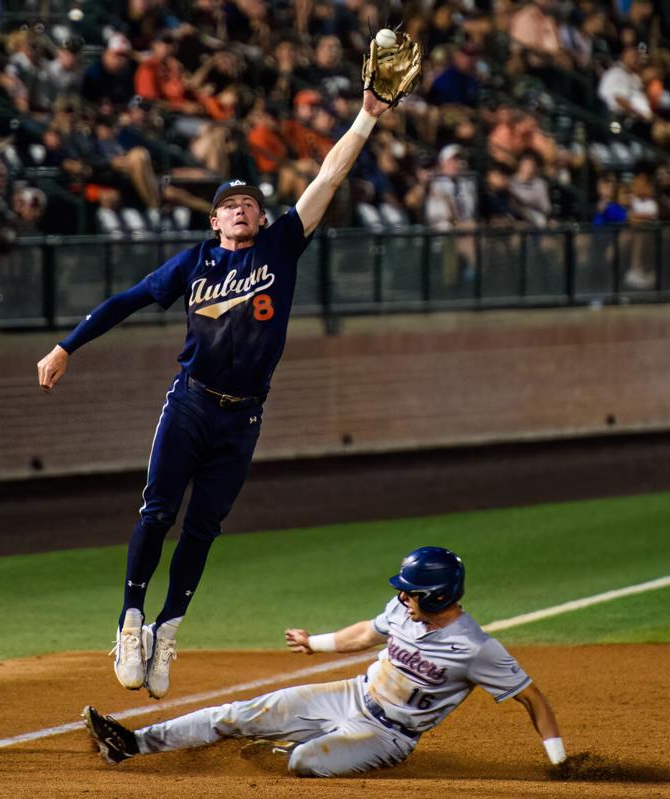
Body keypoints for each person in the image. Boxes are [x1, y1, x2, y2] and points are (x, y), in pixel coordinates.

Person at [37, 87, 403, 701]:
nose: (239, 210)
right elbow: (125, 300)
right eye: (228, 204)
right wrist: (66, 347)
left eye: (248, 204)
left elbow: (330, 173)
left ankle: (167, 631)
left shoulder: (281, 246)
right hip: (191, 401)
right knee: (157, 511)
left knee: (203, 529)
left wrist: (367, 115)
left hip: (243, 417)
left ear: (262, 217)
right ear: (213, 220)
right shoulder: (193, 263)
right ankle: (131, 622)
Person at [83, 546, 567, 777]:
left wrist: (559, 762)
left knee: (304, 762)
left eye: (411, 592)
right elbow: (364, 633)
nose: (401, 598)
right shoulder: (404, 612)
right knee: (241, 713)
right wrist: (314, 643)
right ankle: (131, 744)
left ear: (438, 595)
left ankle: (307, 743)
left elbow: (532, 699)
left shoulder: (477, 649)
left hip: (388, 734)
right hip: (350, 695)